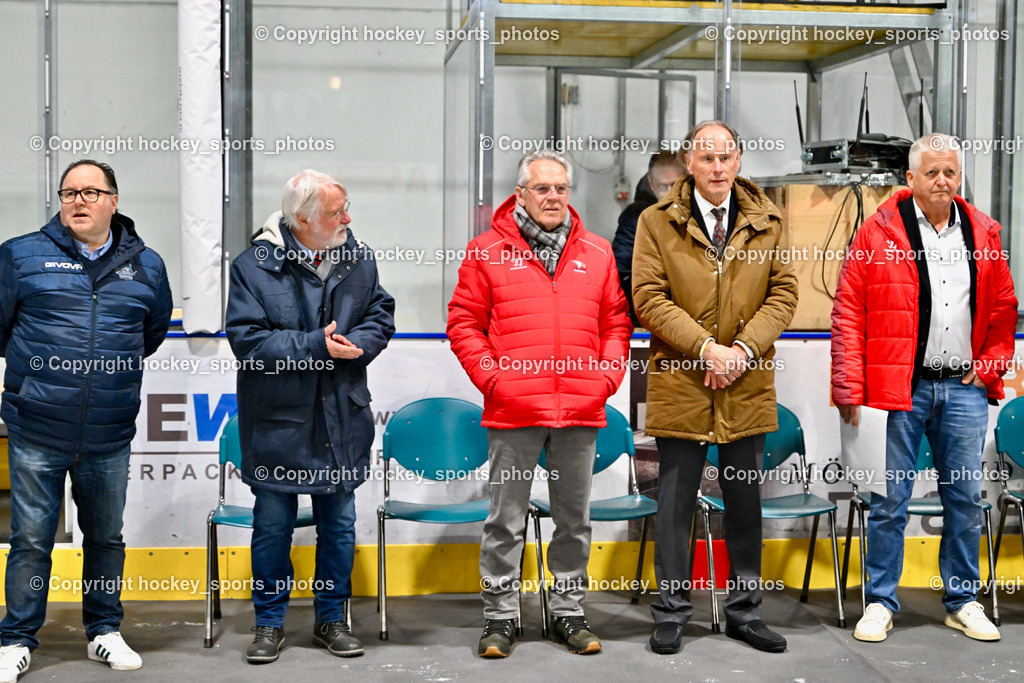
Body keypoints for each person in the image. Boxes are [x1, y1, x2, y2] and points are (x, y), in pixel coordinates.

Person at [831, 133, 1016, 643]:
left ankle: (962, 600)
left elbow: (1002, 310)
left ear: (960, 178)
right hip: (897, 391)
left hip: (962, 390)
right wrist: (848, 384)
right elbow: (847, 311)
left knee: (964, 498)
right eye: (931, 172)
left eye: (950, 172)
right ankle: (880, 602)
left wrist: (991, 366)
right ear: (908, 178)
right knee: (889, 501)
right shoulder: (876, 234)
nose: (941, 181)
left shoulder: (984, 233)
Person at [447, 149, 632, 658]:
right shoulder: (487, 251)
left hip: (580, 407)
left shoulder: (595, 253)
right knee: (503, 520)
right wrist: (495, 380)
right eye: (543, 188)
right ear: (522, 194)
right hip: (513, 411)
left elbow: (616, 322)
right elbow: (464, 323)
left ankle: (568, 613)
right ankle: (500, 618)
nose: (553, 197)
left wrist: (606, 377)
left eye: (561, 189)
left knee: (574, 520)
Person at [0, 160, 172, 680]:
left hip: (109, 431)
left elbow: (151, 333)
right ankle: (15, 638)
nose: (78, 200)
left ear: (113, 201)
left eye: (91, 192)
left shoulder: (147, 265)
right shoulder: (20, 255)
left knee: (105, 538)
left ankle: (103, 631)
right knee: (32, 538)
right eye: (69, 192)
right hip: (36, 427)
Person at [632, 121, 798, 655]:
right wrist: (708, 349)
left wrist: (742, 352)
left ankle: (745, 613)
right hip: (682, 381)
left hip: (745, 384)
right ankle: (672, 612)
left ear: (739, 159)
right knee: (674, 505)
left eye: (726, 157)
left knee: (745, 505)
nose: (718, 167)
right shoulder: (656, 223)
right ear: (689, 163)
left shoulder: (768, 220)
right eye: (707, 158)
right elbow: (649, 299)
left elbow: (784, 293)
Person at [226, 169, 395, 664]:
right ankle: (268, 623)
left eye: (346, 207)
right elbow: (248, 341)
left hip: (342, 417)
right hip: (278, 421)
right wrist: (315, 347)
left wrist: (358, 344)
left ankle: (331, 619)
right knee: (272, 527)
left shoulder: (358, 257)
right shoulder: (252, 265)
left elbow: (380, 314)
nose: (347, 218)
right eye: (335, 212)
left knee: (339, 526)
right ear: (301, 219)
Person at [611, 151, 685, 325]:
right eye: (662, 186)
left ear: (685, 181)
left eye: (674, 185)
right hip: (649, 317)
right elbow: (618, 272)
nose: (669, 193)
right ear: (651, 185)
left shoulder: (702, 215)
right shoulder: (635, 218)